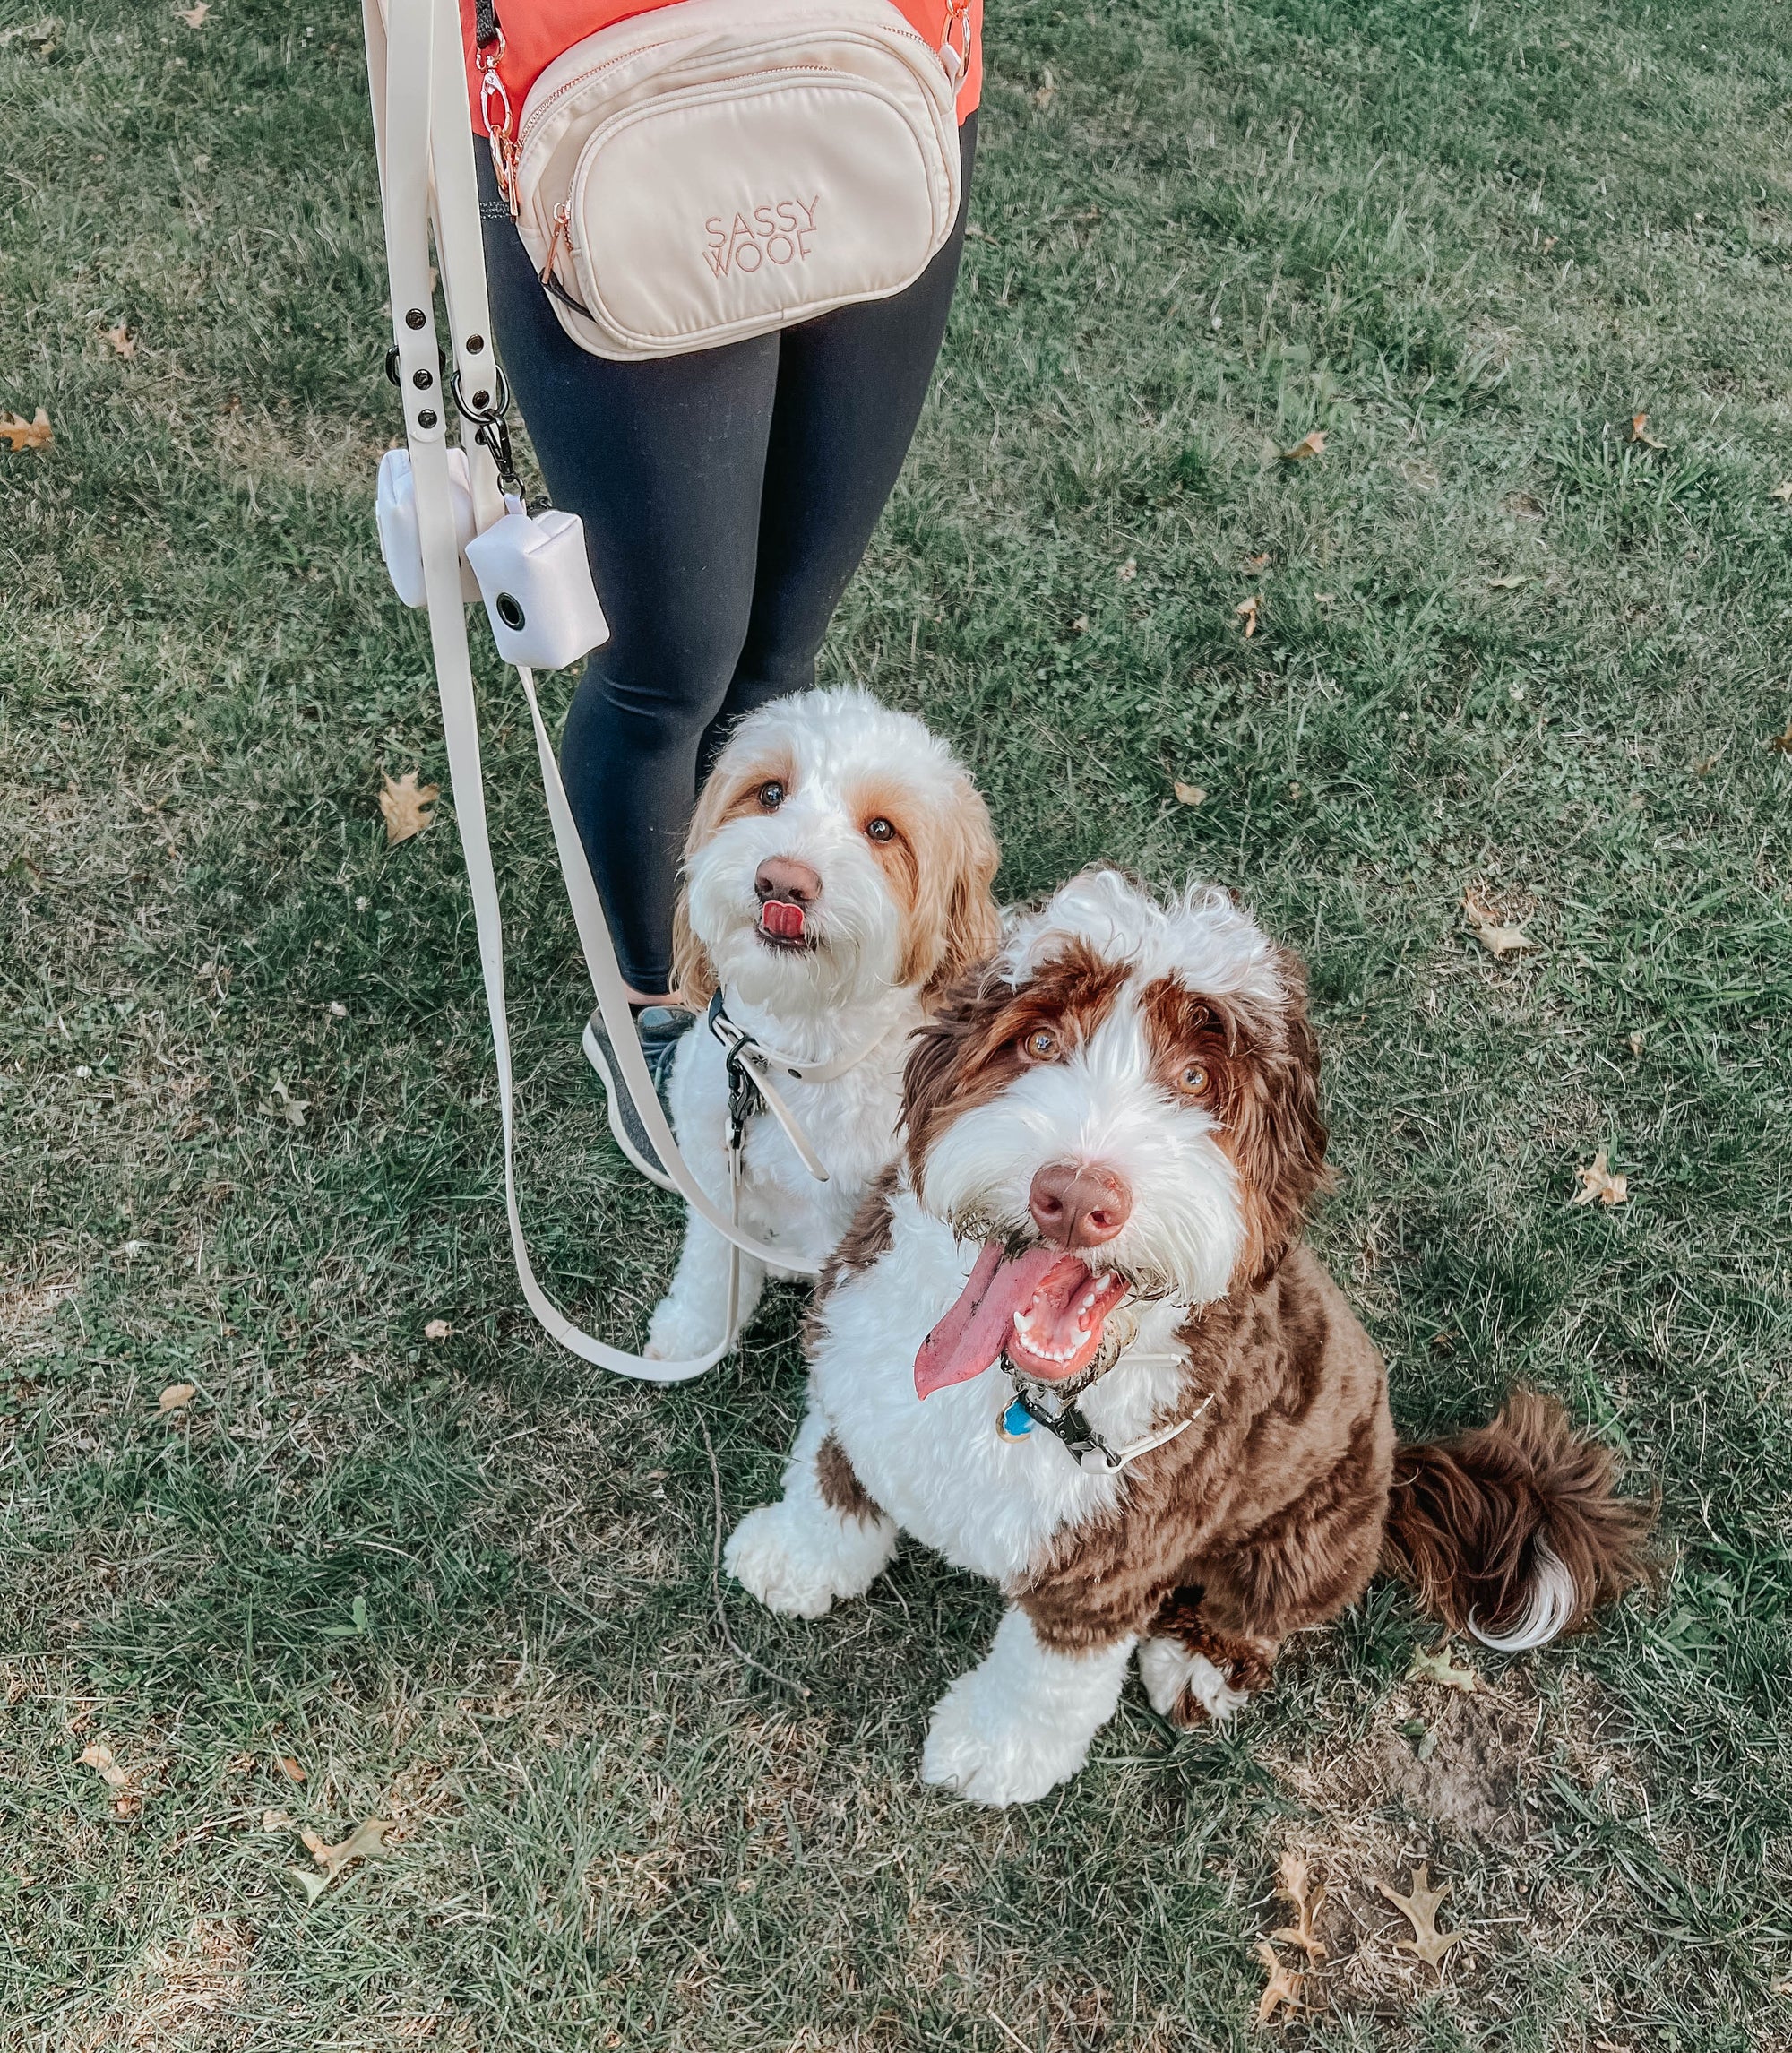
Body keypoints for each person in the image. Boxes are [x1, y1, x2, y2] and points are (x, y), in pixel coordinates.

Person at [463, 0, 984, 1149]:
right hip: (603, 83)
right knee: (669, 664)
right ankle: (653, 1004)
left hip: (884, 60)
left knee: (781, 642)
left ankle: (760, 975)